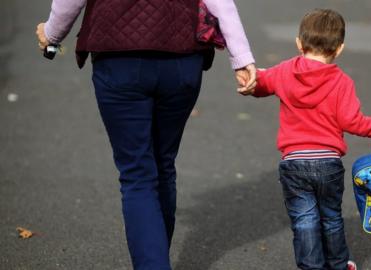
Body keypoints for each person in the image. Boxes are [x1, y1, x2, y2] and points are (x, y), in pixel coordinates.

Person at [36, 0, 256, 269]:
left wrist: (52, 33)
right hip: (181, 58)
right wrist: (241, 58)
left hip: (119, 59)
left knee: (137, 173)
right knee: (163, 164)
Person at [240, 9, 371, 270]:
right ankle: (339, 265)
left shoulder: (286, 70)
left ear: (299, 43)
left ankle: (311, 266)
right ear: (339, 48)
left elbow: (262, 83)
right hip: (328, 162)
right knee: (331, 218)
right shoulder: (342, 81)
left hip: (294, 162)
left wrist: (250, 80)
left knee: (304, 220)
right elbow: (350, 121)